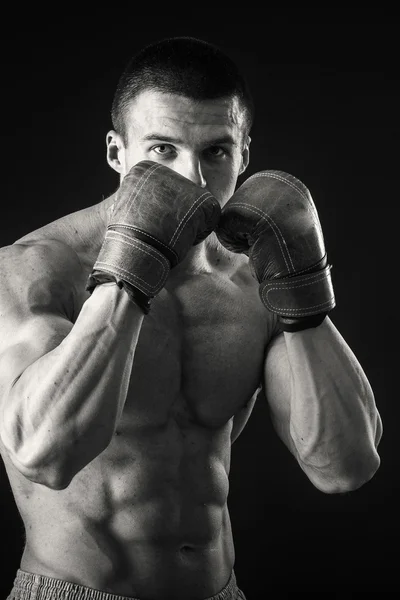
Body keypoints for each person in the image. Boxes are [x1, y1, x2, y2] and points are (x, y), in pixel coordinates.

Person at [0, 36, 382, 600]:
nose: (193, 181)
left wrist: (303, 293)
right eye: (162, 150)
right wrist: (131, 268)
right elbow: (43, 455)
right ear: (116, 153)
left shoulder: (255, 280)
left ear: (244, 154)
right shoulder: (35, 270)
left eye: (216, 152)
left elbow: (343, 465)